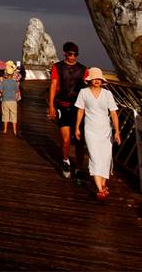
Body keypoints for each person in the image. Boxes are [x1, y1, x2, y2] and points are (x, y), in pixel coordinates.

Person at [74, 67, 121, 200]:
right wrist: (77, 127)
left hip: (105, 130)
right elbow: (80, 111)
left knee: (105, 157)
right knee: (94, 157)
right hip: (90, 129)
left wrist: (117, 131)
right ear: (89, 80)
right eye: (94, 78)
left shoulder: (107, 94)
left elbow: (113, 113)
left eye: (99, 79)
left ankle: (103, 183)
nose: (97, 81)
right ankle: (100, 189)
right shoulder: (84, 92)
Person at [47, 41, 88, 183]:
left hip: (78, 109)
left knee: (79, 141)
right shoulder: (57, 67)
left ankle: (78, 168)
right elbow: (53, 87)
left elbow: (88, 89)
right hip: (62, 106)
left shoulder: (83, 69)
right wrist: (51, 106)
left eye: (76, 54)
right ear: (64, 53)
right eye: (71, 54)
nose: (73, 57)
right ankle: (65, 161)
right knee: (65, 140)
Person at [0, 60, 21, 136]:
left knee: (5, 115)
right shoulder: (15, 83)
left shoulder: (4, 82)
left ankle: (5, 130)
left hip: (5, 100)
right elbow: (16, 91)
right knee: (14, 115)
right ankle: (14, 131)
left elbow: (0, 90)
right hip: (13, 101)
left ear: (6, 73)